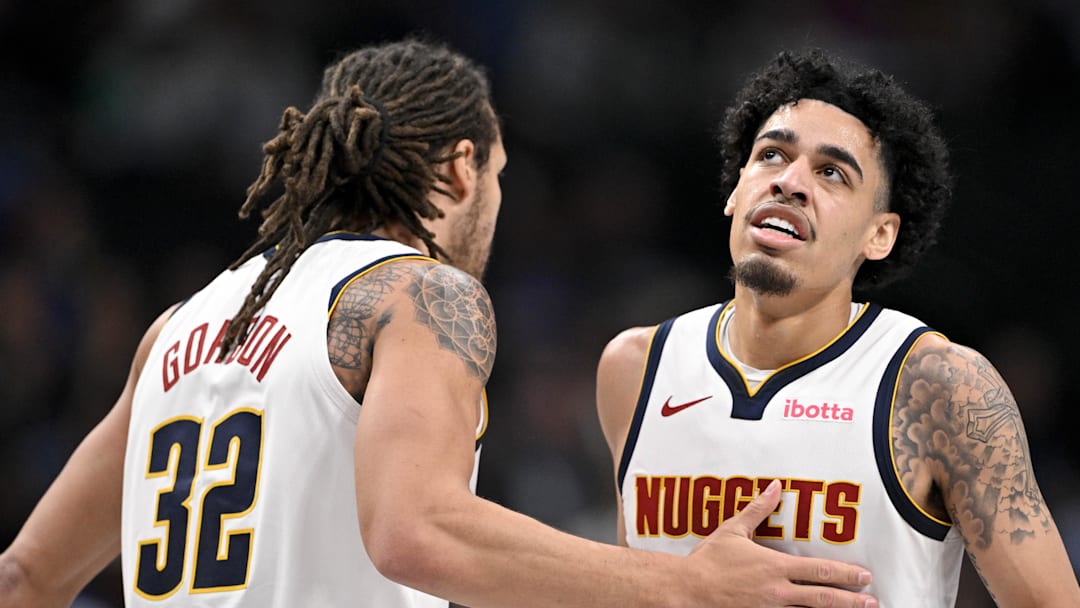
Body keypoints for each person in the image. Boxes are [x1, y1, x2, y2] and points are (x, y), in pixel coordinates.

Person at [0, 37, 882, 608]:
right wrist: (686, 585)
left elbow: (27, 576)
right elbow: (415, 532)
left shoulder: (177, 330)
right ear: (462, 169)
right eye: (498, 178)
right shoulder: (420, 293)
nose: (496, 206)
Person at [596, 47, 1080, 607]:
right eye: (772, 155)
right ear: (735, 191)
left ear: (880, 235)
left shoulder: (938, 387)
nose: (790, 182)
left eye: (831, 173)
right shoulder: (635, 368)